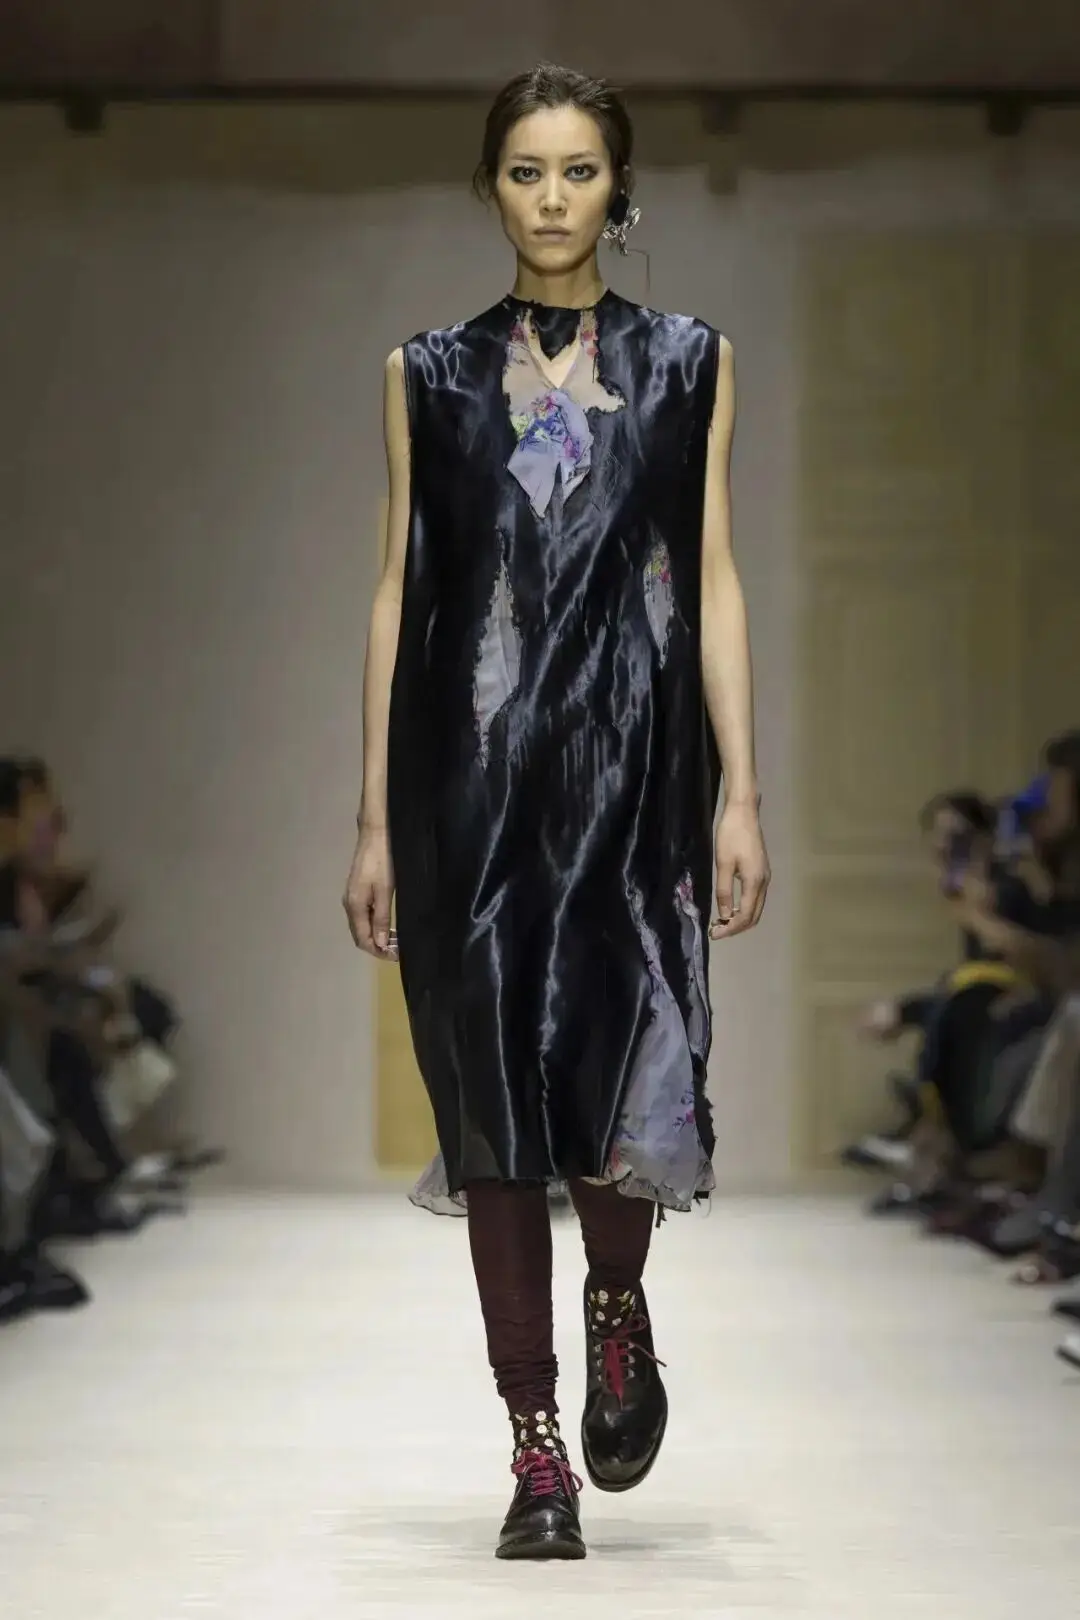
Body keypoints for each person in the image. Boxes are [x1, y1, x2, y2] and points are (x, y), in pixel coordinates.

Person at [343, 63, 769, 1561]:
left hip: (639, 781)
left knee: (616, 1070)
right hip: (469, 786)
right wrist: (375, 820)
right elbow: (400, 590)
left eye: (578, 170)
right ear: (492, 187)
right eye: (526, 171)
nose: (551, 198)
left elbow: (713, 574)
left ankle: (617, 1299)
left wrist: (743, 792)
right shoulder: (426, 374)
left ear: (618, 187)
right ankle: (535, 1450)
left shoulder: (690, 361)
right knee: (496, 1111)